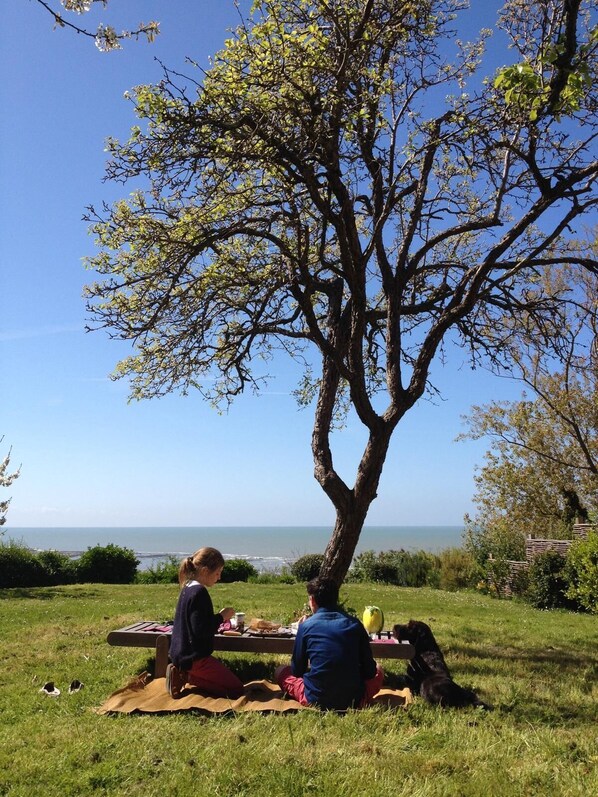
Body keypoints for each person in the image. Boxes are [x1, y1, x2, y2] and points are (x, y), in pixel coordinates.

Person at [275, 577, 384, 711]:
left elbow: (297, 671)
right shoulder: (355, 624)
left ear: (312, 600)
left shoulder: (306, 626)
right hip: (354, 699)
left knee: (280, 671)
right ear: (336, 598)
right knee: (379, 669)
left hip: (315, 698)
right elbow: (370, 672)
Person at [166, 547, 244, 699]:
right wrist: (221, 617)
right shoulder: (199, 592)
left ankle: (184, 673)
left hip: (180, 652)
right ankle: (185, 677)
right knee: (236, 690)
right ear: (204, 571)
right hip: (195, 658)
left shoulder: (187, 588)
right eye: (217, 573)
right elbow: (201, 630)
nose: (219, 577)